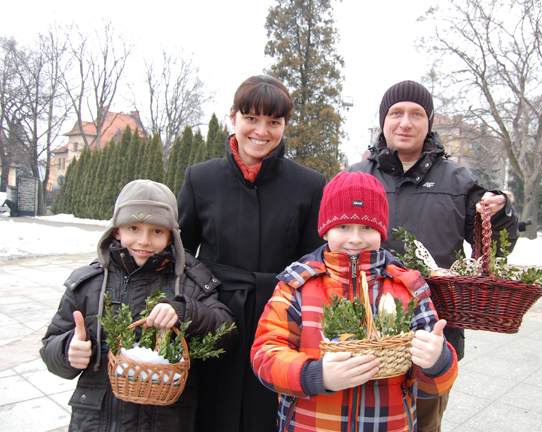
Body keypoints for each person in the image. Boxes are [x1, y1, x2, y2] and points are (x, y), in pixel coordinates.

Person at [350, 80, 518, 431]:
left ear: (429, 123)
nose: (405, 122)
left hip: (433, 332)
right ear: (383, 121)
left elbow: (492, 247)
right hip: (362, 328)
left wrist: (500, 214)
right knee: (359, 418)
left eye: (416, 114)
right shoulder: (357, 176)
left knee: (424, 422)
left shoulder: (457, 180)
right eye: (396, 113)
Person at [250, 171, 458, 431]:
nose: (356, 238)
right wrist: (316, 375)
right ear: (325, 231)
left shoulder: (407, 287)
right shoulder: (298, 284)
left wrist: (437, 361)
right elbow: (265, 355)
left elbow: (436, 385)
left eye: (367, 227)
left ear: (381, 231)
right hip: (311, 424)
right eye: (343, 227)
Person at [177, 75, 326, 432]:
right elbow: (180, 253)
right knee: (212, 412)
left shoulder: (309, 184)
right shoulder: (201, 179)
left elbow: (314, 261)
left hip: (280, 321)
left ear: (284, 125)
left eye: (274, 122)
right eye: (252, 118)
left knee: (270, 413)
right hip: (214, 317)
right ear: (234, 117)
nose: (261, 131)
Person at [40, 179, 233, 431]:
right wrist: (67, 350)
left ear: (171, 235)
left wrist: (185, 311)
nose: (144, 241)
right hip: (97, 421)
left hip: (166, 421)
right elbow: (50, 346)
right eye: (133, 228)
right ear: (116, 230)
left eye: (156, 231)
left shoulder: (190, 281)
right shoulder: (89, 283)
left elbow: (226, 331)